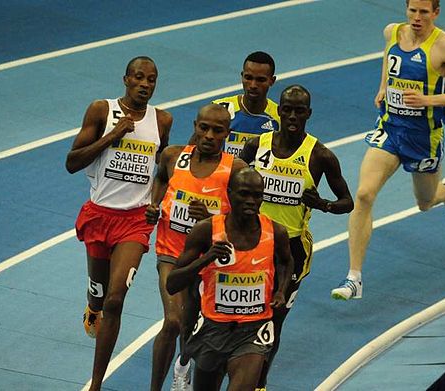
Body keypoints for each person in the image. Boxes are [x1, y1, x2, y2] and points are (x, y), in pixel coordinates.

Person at [331, 0, 445, 300]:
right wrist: (384, 87)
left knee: (425, 202)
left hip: (424, 138)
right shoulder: (392, 33)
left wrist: (428, 101)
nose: (417, 18)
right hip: (390, 129)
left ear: (435, 13)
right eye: (413, 10)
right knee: (363, 194)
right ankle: (354, 277)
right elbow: (389, 62)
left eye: (424, 12)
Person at [65, 56, 172, 391]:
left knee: (115, 299)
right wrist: (113, 135)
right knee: (99, 297)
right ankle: (91, 305)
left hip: (135, 222)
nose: (145, 84)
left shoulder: (162, 120)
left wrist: (156, 202)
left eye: (151, 80)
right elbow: (72, 162)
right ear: (125, 79)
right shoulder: (101, 110)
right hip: (100, 215)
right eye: (138, 78)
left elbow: (163, 172)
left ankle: (96, 383)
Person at [240, 84, 354, 389]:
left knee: (272, 320)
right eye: (286, 109)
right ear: (279, 111)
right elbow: (232, 184)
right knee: (242, 310)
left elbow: (347, 201)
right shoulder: (255, 146)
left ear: (309, 114)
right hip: (252, 241)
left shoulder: (320, 155)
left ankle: (259, 383)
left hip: (291, 250)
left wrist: (323, 205)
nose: (291, 116)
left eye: (298, 110)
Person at [145, 104, 247, 391]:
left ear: (227, 133)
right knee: (174, 320)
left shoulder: (236, 170)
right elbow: (161, 181)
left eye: (217, 130)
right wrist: (154, 205)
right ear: (195, 125)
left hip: (208, 261)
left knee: (193, 326)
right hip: (170, 252)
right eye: (204, 128)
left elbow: (244, 221)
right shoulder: (173, 156)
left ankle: (183, 363)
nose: (209, 135)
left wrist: (212, 221)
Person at [165, 168, 294, 391]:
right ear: (229, 193)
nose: (251, 201)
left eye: (257, 195)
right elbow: (173, 283)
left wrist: (281, 290)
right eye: (244, 194)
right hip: (213, 328)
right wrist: (205, 259)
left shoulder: (276, 232)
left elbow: (286, 261)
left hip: (253, 330)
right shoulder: (206, 231)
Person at [212, 51, 279, 157]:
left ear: (272, 81)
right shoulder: (219, 109)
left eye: (260, 80)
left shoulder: (280, 117)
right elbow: (195, 151)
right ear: (242, 76)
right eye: (248, 78)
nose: (253, 85)